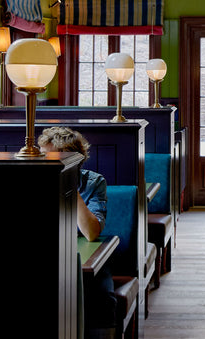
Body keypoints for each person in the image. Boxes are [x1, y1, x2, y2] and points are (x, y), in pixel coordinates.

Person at [38, 127, 117, 338]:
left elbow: (91, 233)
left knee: (101, 298)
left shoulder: (93, 182)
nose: (43, 162)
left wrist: (68, 183)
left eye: (49, 158)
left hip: (87, 261)